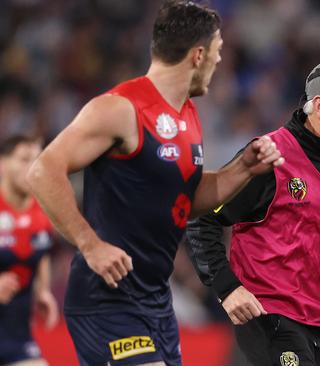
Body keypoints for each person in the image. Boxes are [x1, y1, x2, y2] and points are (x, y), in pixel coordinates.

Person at [26, 2, 283, 365]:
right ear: (198, 55)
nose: (219, 61)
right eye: (218, 52)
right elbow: (43, 170)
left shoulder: (188, 114)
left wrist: (242, 168)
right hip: (107, 300)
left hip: (156, 302)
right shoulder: (121, 108)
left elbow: (185, 200)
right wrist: (90, 244)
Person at [185, 57, 320, 366]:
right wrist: (228, 288)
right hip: (269, 316)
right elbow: (202, 217)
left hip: (318, 321)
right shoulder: (269, 157)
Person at [0, 135, 58, 366]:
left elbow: (41, 250)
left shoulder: (44, 211)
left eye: (37, 160)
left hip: (16, 334)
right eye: (24, 159)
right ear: (2, 164)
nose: (32, 168)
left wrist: (43, 290)